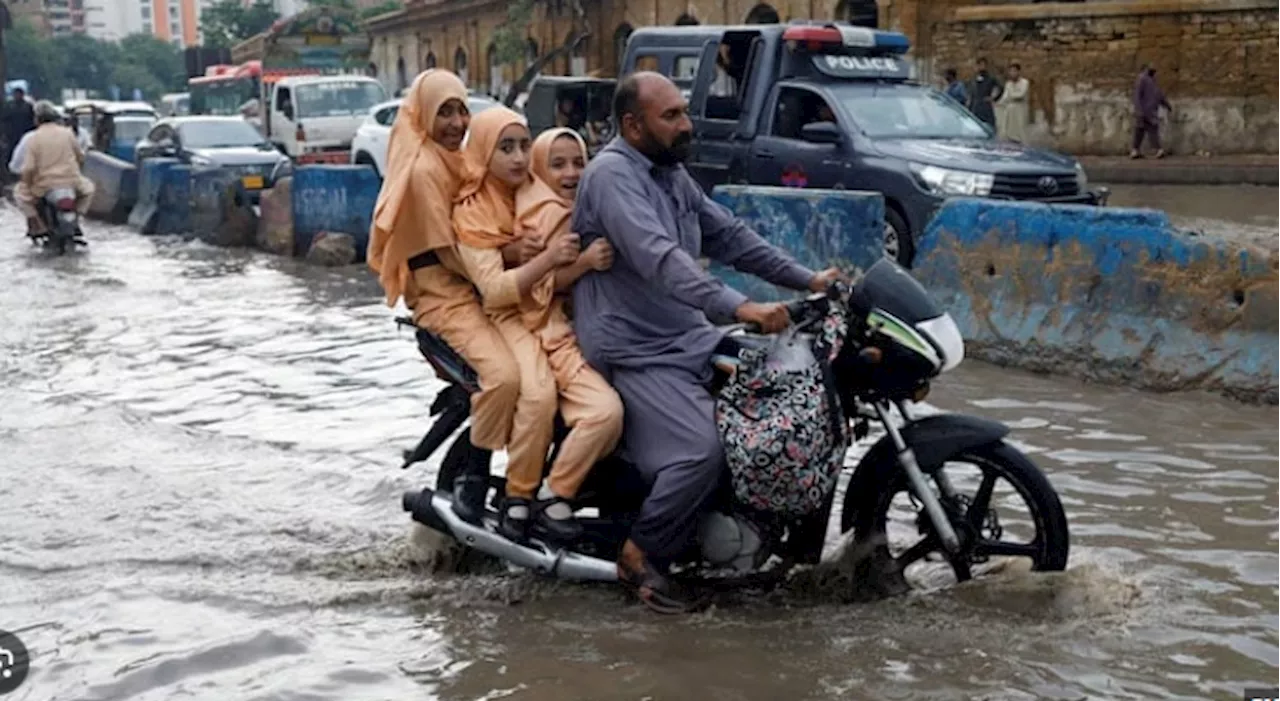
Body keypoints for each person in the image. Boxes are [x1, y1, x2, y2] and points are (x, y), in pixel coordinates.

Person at [569, 72, 842, 613]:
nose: (686, 124)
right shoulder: (611, 176)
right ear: (632, 125)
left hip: (687, 333)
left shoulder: (671, 173)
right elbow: (659, 258)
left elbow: (729, 236)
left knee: (777, 398)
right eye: (670, 116)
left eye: (684, 112)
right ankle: (641, 553)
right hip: (636, 348)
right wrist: (741, 307)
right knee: (705, 449)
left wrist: (808, 279)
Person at [451, 110, 624, 543]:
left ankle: (554, 492)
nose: (517, 158)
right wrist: (548, 259)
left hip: (559, 326)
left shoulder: (545, 203)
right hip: (513, 317)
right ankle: (517, 496)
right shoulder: (484, 210)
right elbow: (498, 290)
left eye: (523, 147)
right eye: (504, 148)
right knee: (535, 392)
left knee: (607, 410)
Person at [366, 69, 521, 525]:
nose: (456, 123)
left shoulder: (459, 159)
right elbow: (451, 252)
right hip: (445, 295)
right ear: (422, 116)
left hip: (478, 285)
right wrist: (508, 257)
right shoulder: (423, 169)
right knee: (505, 377)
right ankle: (475, 479)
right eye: (444, 113)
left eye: (461, 111)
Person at [15, 101, 94, 238]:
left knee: (19, 195)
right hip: (72, 183)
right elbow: (80, 157)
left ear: (37, 119)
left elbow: (29, 167)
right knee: (89, 189)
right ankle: (77, 219)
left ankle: (39, 225)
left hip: (44, 185)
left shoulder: (33, 138)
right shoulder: (68, 134)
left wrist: (26, 182)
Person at [1131, 64, 1172, 159]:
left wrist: (1166, 104)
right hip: (1145, 110)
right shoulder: (1142, 79)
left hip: (1149, 110)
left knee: (1141, 130)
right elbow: (1137, 96)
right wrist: (1139, 109)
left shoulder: (1152, 81)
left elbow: (1159, 95)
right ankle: (1157, 149)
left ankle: (1135, 150)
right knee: (1149, 130)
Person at [996, 63, 1030, 142]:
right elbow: (1005, 97)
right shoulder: (1009, 84)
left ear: (1019, 72)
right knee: (1009, 133)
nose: (1012, 73)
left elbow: (1020, 95)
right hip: (1010, 112)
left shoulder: (1024, 82)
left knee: (1020, 133)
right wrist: (998, 103)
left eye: (1014, 71)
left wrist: (1010, 96)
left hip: (1020, 111)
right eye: (1011, 71)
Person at [4, 88, 35, 164]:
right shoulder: (9, 106)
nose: (17, 96)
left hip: (24, 132)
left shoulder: (28, 106)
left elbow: (32, 120)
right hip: (12, 134)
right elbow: (5, 120)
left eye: (19, 94)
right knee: (11, 152)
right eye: (16, 94)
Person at [968, 58, 1001, 130]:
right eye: (979, 65)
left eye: (983, 65)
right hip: (975, 107)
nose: (981, 67)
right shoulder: (973, 80)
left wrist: (993, 98)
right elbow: (971, 94)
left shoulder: (991, 79)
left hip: (986, 107)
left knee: (989, 128)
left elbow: (1001, 88)